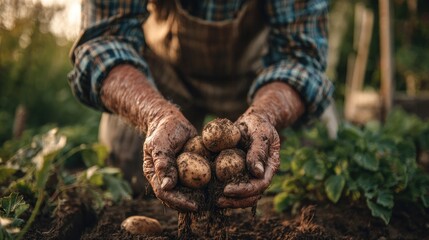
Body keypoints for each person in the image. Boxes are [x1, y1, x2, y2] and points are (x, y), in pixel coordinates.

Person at [68, 0, 334, 212]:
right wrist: (156, 114)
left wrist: (266, 114)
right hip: (162, 77)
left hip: (259, 79)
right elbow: (104, 42)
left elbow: (301, 58)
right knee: (128, 167)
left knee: (313, 162)